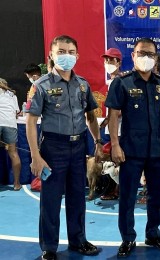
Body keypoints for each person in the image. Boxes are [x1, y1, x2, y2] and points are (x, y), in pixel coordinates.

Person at [25, 35, 103, 260]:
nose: (66, 56)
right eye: (61, 51)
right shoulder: (41, 86)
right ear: (51, 55)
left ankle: (78, 240)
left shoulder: (83, 85)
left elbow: (90, 117)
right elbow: (31, 122)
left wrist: (97, 142)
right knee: (50, 200)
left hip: (79, 146)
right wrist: (35, 156)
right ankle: (49, 247)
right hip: (53, 148)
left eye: (70, 52)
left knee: (78, 197)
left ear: (77, 56)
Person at [105, 37, 160, 257]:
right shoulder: (122, 82)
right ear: (133, 56)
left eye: (150, 54)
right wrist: (115, 145)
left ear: (156, 58)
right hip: (130, 151)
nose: (146, 58)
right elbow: (113, 115)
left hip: (156, 150)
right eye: (141, 53)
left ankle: (153, 233)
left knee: (156, 195)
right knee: (127, 196)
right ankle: (128, 238)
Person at [99, 47, 123, 200]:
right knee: (113, 160)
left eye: (111, 60)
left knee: (116, 161)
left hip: (119, 129)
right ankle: (115, 189)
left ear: (119, 62)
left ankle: (116, 190)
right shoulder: (111, 81)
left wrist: (108, 119)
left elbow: (121, 108)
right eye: (106, 60)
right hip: (113, 128)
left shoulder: (120, 81)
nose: (108, 63)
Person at [0, 78, 22, 191]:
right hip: (10, 124)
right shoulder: (12, 95)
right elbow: (16, 113)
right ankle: (16, 184)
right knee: (13, 154)